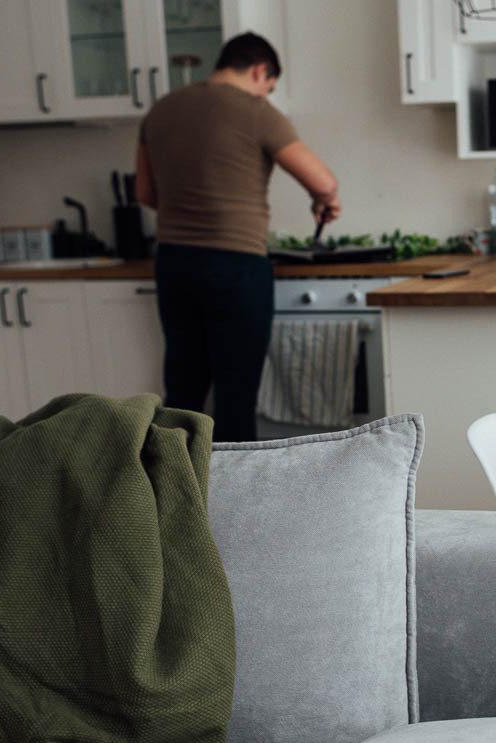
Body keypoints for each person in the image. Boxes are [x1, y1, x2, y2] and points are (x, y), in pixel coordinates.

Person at [134, 32, 340, 442]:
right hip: (236, 265)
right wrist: (325, 200)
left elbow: (144, 194)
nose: (267, 94)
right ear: (260, 71)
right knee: (235, 394)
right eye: (270, 86)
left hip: (174, 263)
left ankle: (174, 479)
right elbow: (323, 181)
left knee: (183, 391)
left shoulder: (161, 110)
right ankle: (235, 485)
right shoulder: (256, 111)